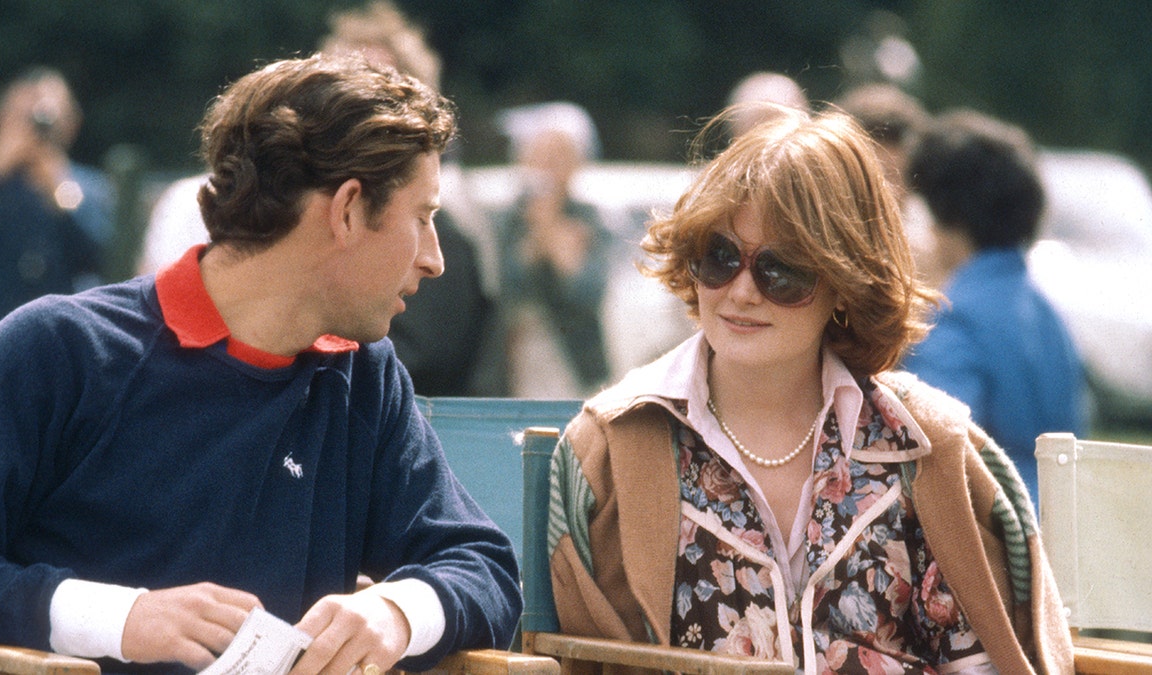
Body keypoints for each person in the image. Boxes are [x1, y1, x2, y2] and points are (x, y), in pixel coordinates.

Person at [0, 53, 520, 675]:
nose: (435, 259)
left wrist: (396, 613)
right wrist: (118, 620)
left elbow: (482, 564)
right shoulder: (59, 348)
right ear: (349, 209)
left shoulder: (365, 375)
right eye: (423, 218)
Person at [546, 105, 1073, 673]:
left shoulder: (927, 447)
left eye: (782, 270)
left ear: (846, 285)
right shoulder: (607, 450)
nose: (742, 291)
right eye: (719, 257)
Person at [138, 0, 503, 396]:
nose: (432, 261)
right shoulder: (91, 347)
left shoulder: (370, 379)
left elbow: (425, 368)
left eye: (382, 100)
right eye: (343, 89)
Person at [904, 109, 1087, 507]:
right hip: (1064, 520)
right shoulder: (1047, 314)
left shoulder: (956, 321)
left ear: (945, 215)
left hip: (999, 533)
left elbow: (934, 454)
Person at [0, 67, 113, 370]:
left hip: (62, 349)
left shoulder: (89, 187)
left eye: (46, 121)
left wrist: (59, 190)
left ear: (71, 125)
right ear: (0, 119)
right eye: (25, 118)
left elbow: (105, 258)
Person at [496, 101, 612, 398]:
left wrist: (548, 233)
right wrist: (547, 238)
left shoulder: (591, 218)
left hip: (578, 361)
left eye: (559, 156)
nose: (547, 166)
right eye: (539, 155)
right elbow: (506, 290)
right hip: (520, 360)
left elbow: (587, 292)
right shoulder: (509, 220)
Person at [835, 82, 942, 288]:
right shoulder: (816, 237)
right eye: (876, 178)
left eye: (898, 178)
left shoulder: (935, 246)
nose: (889, 192)